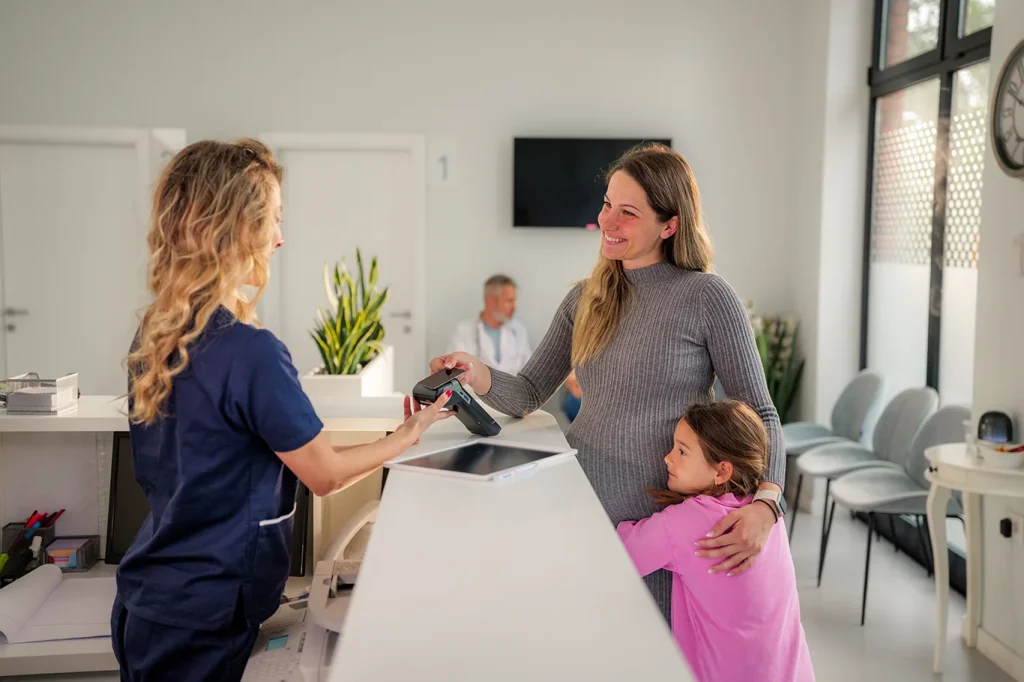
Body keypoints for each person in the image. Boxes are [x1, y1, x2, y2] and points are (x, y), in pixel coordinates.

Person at [114, 139, 452, 682]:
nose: (279, 238)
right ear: (232, 229)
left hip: (152, 600)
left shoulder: (157, 333)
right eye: (271, 220)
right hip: (205, 616)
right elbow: (324, 473)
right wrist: (412, 431)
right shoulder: (249, 351)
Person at [431, 143, 786, 622]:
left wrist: (768, 503)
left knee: (656, 650)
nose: (607, 222)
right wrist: (479, 372)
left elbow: (759, 413)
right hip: (580, 506)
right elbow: (531, 391)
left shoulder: (706, 297)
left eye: (628, 213)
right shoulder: (586, 297)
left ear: (669, 224)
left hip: (661, 524)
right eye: (606, 205)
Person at [617, 401, 813, 682]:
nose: (667, 458)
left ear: (721, 471)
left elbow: (621, 556)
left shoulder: (683, 522)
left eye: (682, 451)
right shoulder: (767, 519)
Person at [447, 274, 532, 374]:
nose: (514, 306)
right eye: (509, 300)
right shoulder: (463, 331)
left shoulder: (518, 331)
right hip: (472, 390)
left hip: (512, 389)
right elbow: (454, 374)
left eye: (514, 300)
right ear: (490, 301)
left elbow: (528, 373)